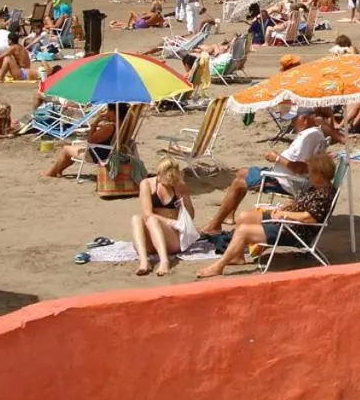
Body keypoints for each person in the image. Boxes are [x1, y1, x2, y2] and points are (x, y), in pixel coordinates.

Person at [196, 153, 337, 279]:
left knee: (244, 231)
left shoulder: (323, 195)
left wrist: (283, 214)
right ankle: (238, 256)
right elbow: (304, 205)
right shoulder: (318, 188)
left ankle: (218, 266)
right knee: (244, 216)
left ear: (320, 175)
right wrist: (287, 206)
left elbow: (309, 218)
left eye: (311, 172)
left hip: (293, 231)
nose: (308, 175)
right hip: (286, 222)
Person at [199, 111, 340, 234]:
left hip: (287, 181)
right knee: (242, 172)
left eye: (294, 119)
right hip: (287, 177)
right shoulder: (315, 133)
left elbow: (300, 168)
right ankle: (228, 215)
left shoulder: (308, 137)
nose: (292, 123)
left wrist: (276, 158)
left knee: (239, 182)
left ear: (304, 119)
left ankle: (215, 225)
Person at [129, 158, 195, 277]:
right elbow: (147, 213)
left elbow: (191, 216)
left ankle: (164, 261)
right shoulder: (147, 184)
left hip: (172, 238)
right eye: (167, 182)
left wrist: (184, 201)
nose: (169, 185)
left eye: (172, 183)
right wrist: (170, 221)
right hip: (153, 238)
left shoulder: (179, 186)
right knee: (136, 218)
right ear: (159, 174)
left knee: (152, 220)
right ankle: (144, 261)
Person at [42, 105, 124, 178]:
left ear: (114, 112)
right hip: (107, 152)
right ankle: (58, 171)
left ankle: (50, 173)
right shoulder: (121, 125)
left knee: (66, 149)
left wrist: (96, 122)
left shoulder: (110, 127)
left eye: (108, 110)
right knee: (72, 148)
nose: (106, 113)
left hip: (97, 155)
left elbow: (90, 140)